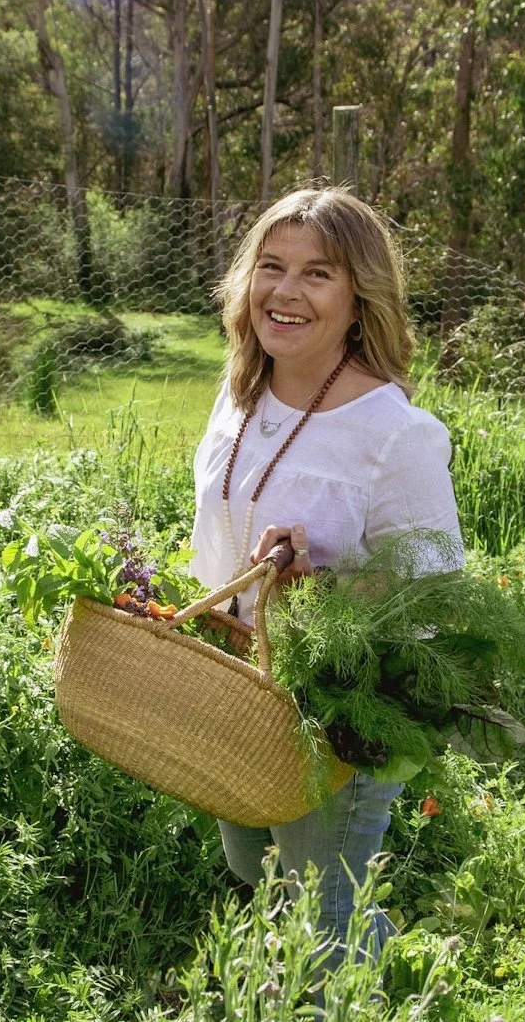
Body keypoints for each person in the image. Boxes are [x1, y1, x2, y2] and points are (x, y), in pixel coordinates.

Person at [188, 185, 464, 980]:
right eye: (271, 267)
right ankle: (367, 934)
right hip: (247, 681)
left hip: (348, 704)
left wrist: (327, 587)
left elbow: (436, 590)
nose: (286, 291)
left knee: (316, 917)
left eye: (318, 274)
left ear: (358, 298)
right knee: (250, 860)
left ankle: (337, 966)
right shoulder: (240, 393)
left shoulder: (394, 433)